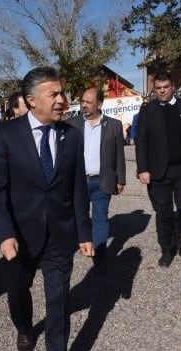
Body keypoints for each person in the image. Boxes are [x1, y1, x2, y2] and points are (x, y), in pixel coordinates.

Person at [0, 66, 93, 351]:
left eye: (62, 93)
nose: (63, 100)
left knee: (59, 303)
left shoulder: (72, 135)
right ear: (32, 101)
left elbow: (78, 189)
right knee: (18, 292)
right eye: (55, 94)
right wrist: (3, 234)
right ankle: (23, 326)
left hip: (59, 236)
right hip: (18, 237)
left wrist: (84, 232)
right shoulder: (6, 135)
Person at [135, 71, 181, 267]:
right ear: (155, 90)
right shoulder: (148, 110)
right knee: (163, 213)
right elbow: (141, 141)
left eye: (166, 87)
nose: (162, 91)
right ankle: (167, 249)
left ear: (173, 87)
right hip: (158, 173)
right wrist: (143, 169)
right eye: (158, 88)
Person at [68, 87, 126, 274]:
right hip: (79, 182)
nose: (84, 105)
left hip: (102, 181)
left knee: (100, 218)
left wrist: (121, 179)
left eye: (88, 102)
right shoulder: (72, 124)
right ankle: (83, 244)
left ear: (99, 104)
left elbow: (119, 154)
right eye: (82, 101)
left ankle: (99, 256)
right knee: (81, 216)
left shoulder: (114, 126)